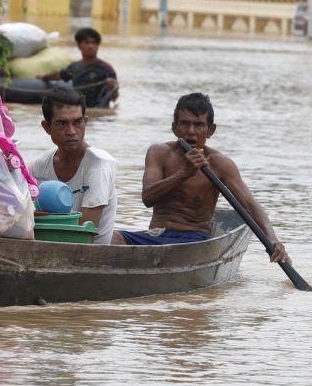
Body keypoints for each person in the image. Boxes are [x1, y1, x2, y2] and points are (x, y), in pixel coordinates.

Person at [112, 93, 290, 263]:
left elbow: (250, 205)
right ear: (174, 128)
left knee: (186, 249)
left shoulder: (220, 164)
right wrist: (183, 174)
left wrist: (273, 240)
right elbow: (147, 198)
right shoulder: (159, 153)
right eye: (184, 124)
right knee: (110, 238)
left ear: (210, 130)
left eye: (198, 125)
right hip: (155, 236)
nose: (191, 132)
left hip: (193, 241)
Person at [30, 87, 117, 245]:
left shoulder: (99, 164)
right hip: (48, 248)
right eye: (62, 124)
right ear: (47, 127)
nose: (71, 132)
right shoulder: (38, 166)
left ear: (86, 122)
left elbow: (84, 233)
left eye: (77, 122)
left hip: (90, 255)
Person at [38, 27, 118, 108]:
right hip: (79, 111)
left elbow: (115, 98)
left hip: (99, 112)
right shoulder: (74, 67)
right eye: (87, 43)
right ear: (79, 45)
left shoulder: (106, 69)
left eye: (94, 43)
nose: (91, 46)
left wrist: (112, 88)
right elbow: (59, 75)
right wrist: (44, 77)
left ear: (98, 46)